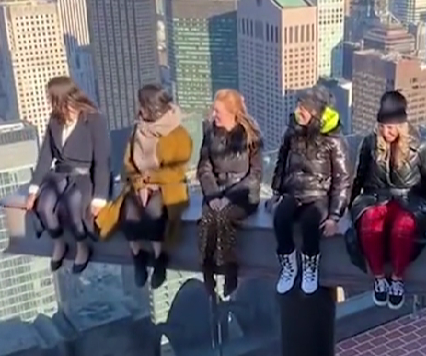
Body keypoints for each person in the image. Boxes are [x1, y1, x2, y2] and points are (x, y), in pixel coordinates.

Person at [350, 90, 426, 309]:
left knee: (403, 226)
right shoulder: (370, 143)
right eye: (382, 126)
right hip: (375, 196)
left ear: (401, 125)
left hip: (409, 199)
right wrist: (349, 204)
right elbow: (359, 175)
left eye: (390, 127)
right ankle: (379, 278)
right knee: (370, 222)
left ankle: (398, 279)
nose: (385, 132)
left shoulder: (422, 145)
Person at [96, 85, 192, 290]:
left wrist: (152, 179)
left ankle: (160, 258)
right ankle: (138, 255)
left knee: (153, 213)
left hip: (168, 186)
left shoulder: (178, 134)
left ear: (151, 107)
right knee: (129, 214)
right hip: (138, 183)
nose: (138, 109)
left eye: (141, 105)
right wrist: (140, 183)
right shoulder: (137, 130)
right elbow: (128, 163)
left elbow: (178, 170)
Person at [270, 86, 350, 295]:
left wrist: (334, 216)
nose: (298, 111)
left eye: (303, 107)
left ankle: (310, 268)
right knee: (280, 218)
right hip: (293, 191)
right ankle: (288, 266)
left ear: (315, 111)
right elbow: (281, 163)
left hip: (318, 195)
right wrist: (276, 192)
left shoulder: (333, 140)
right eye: (298, 106)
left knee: (310, 223)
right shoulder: (292, 133)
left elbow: (342, 180)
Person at [25, 75, 110, 274]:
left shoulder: (94, 119)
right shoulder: (55, 120)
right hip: (59, 174)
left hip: (83, 176)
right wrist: (33, 190)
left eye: (51, 98)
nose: (49, 101)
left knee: (73, 206)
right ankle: (59, 242)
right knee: (44, 207)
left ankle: (82, 245)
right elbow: (45, 156)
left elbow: (102, 160)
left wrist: (99, 198)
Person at [197, 89, 262, 297]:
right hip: (216, 192)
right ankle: (207, 270)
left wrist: (228, 197)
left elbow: (255, 175)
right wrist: (213, 195)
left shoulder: (250, 135)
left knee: (223, 217)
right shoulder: (210, 133)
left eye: (218, 111)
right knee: (208, 218)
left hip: (243, 194)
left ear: (232, 112)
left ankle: (230, 270)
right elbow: (204, 168)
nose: (214, 114)